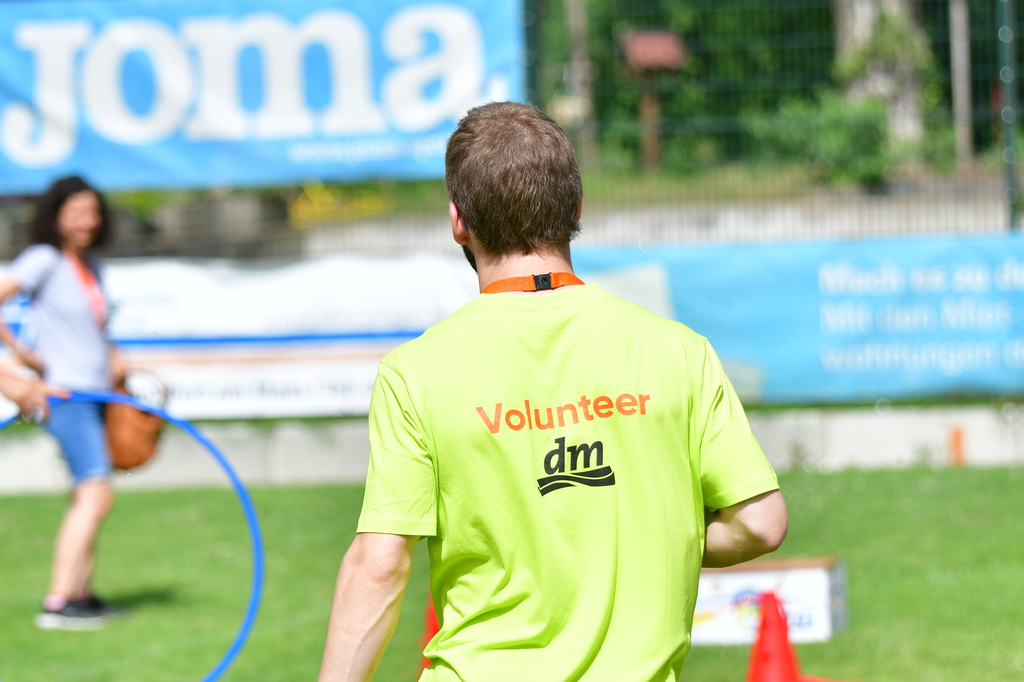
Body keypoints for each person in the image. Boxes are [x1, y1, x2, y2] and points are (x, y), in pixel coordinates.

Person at [318, 102, 788, 682]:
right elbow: (760, 523)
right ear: (576, 208)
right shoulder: (679, 351)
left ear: (458, 220)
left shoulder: (415, 372)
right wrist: (650, 546)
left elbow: (380, 566)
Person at [0, 175, 127, 630]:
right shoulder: (44, 259)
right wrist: (18, 354)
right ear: (54, 217)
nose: (86, 221)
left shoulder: (90, 265)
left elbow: (92, 331)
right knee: (96, 493)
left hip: (97, 392)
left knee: (87, 494)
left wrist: (116, 361)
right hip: (66, 394)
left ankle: (82, 595)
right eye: (76, 213)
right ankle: (58, 602)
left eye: (92, 212)